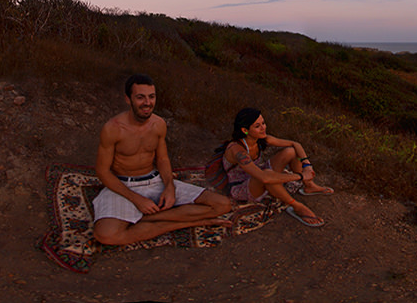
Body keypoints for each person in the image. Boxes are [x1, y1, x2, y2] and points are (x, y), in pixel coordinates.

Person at [92, 74, 233, 245]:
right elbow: (103, 171)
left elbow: (163, 159)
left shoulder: (158, 124)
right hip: (123, 185)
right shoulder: (113, 129)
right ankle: (188, 222)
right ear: (128, 99)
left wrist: (169, 187)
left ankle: (145, 219)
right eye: (140, 97)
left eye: (151, 97)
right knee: (106, 235)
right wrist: (136, 199)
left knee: (222, 205)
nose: (147, 103)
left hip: (153, 181)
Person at [219, 107, 331, 227]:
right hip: (241, 186)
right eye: (257, 126)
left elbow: (295, 144)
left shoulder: (261, 139)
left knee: (291, 151)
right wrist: (300, 176)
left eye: (263, 123)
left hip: (258, 173)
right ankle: (298, 207)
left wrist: (307, 165)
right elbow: (264, 177)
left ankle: (309, 186)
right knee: (268, 176)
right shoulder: (237, 150)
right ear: (245, 130)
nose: (263, 128)